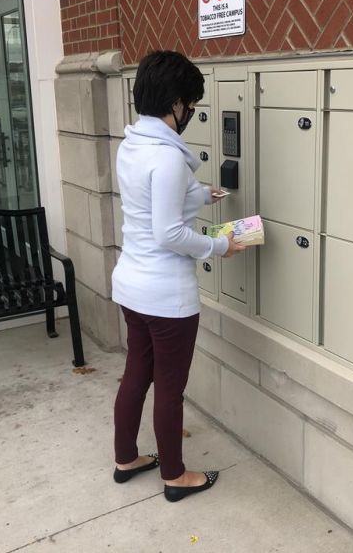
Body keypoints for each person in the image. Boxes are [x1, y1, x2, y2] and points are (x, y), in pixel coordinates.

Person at [111, 50, 245, 502]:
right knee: (170, 388)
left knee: (136, 374)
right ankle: (174, 475)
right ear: (174, 103)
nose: (190, 112)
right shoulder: (167, 159)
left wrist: (201, 195)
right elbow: (168, 232)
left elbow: (151, 203)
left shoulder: (132, 146)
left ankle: (126, 458)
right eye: (190, 103)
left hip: (131, 285)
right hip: (166, 296)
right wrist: (219, 246)